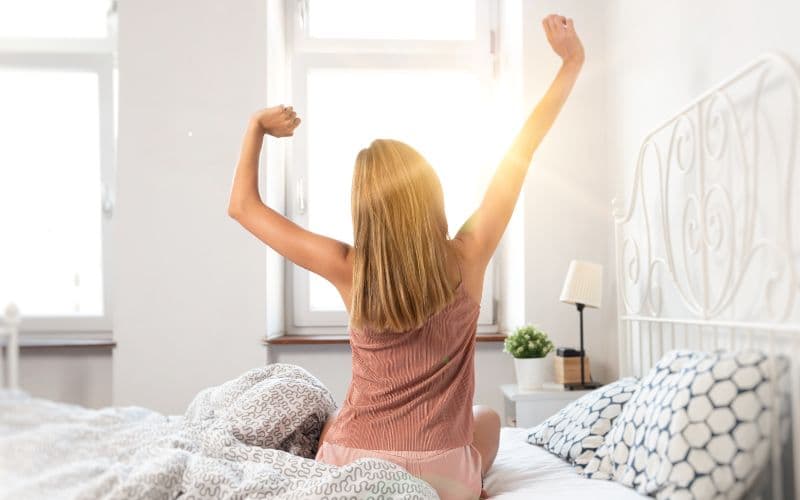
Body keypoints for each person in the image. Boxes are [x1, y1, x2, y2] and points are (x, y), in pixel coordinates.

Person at [228, 13, 584, 500]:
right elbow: (522, 150)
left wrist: (255, 128)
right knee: (489, 420)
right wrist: (571, 62)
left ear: (364, 209)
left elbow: (242, 207)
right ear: (430, 194)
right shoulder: (469, 254)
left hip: (353, 465)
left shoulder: (347, 266)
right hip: (444, 474)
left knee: (335, 418)